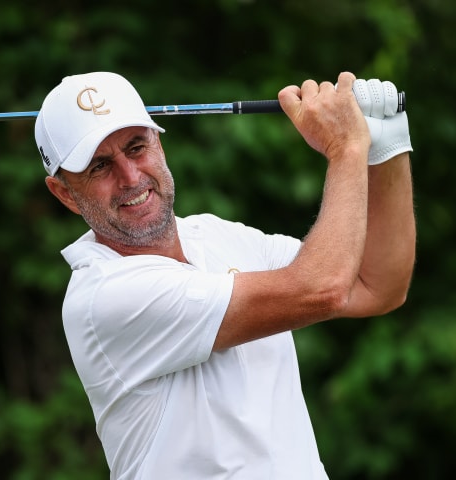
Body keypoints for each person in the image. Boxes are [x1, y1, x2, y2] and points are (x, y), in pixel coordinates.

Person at [35, 71, 415, 479]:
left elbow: (376, 286)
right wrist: (346, 149)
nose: (130, 177)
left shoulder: (216, 234)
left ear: (159, 143)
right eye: (100, 166)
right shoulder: (104, 296)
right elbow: (324, 288)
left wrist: (386, 146)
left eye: (136, 147)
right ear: (64, 194)